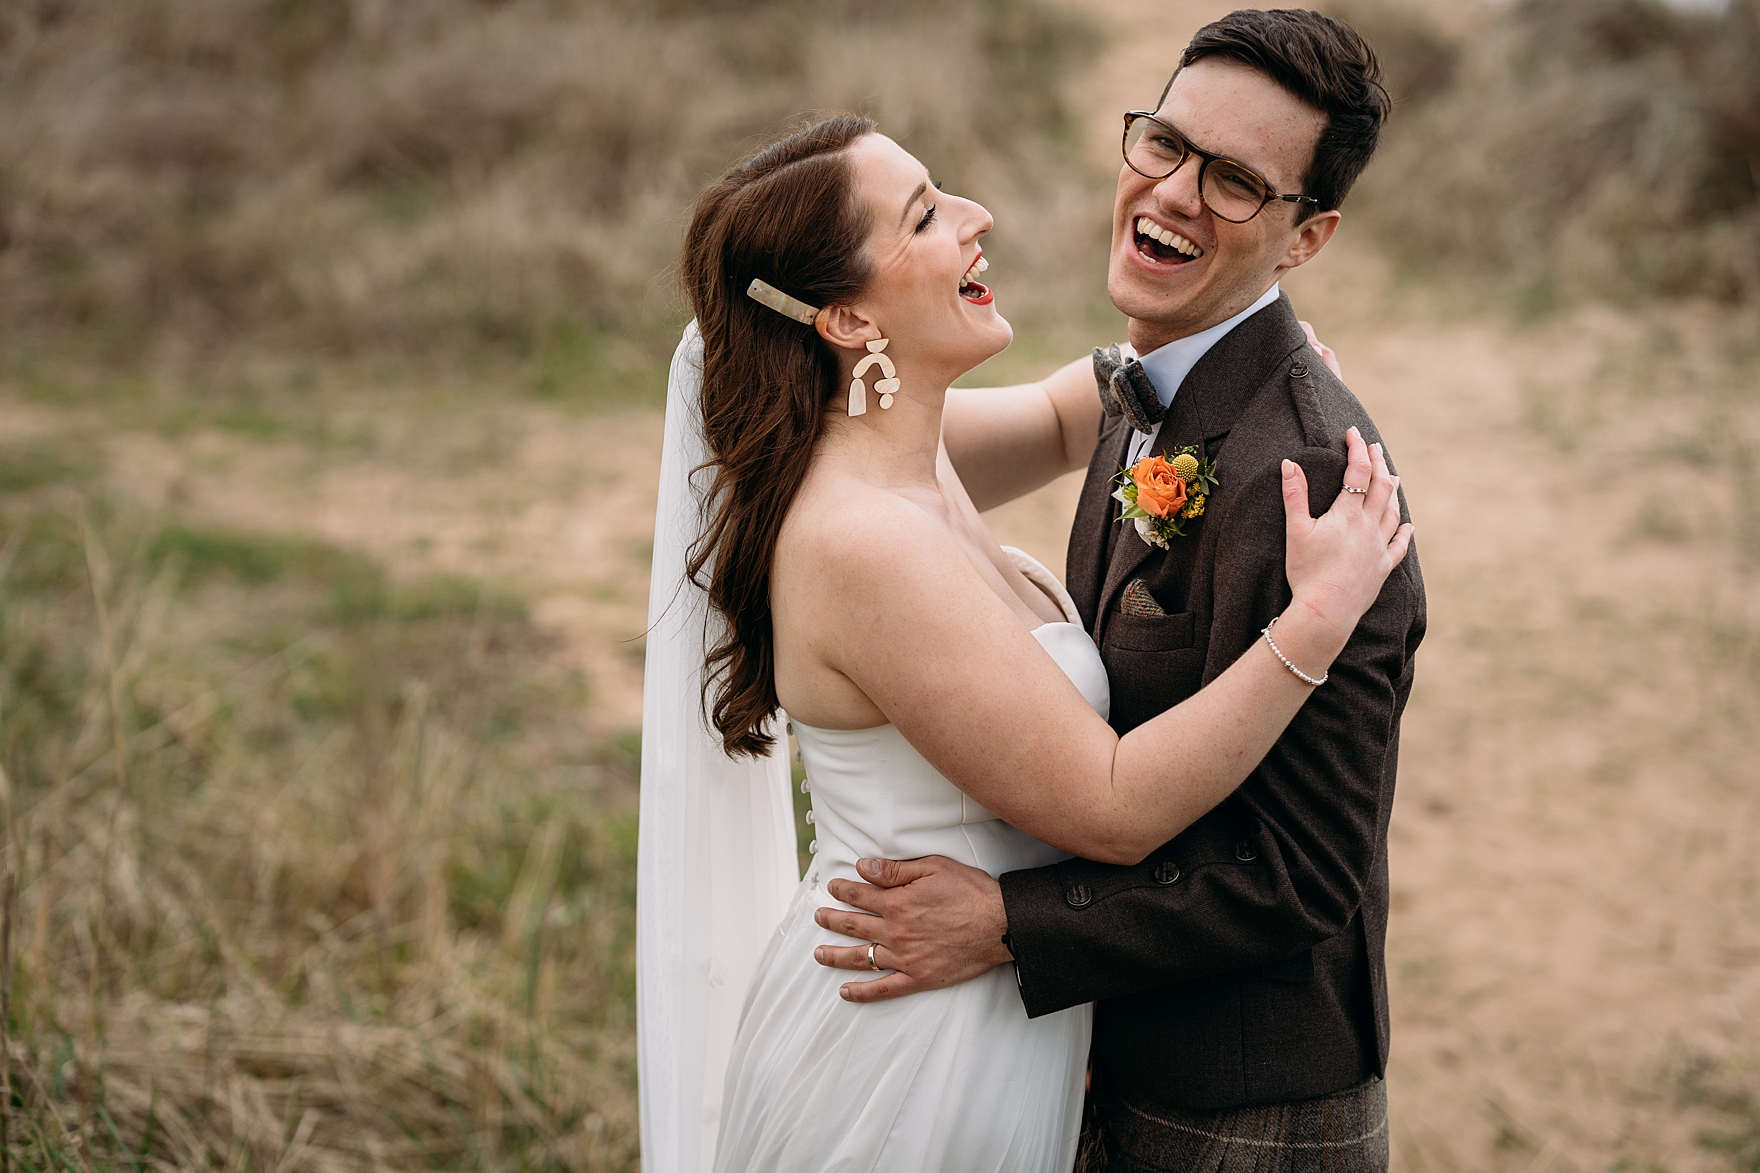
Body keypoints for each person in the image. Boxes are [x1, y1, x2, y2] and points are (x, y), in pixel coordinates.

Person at [637, 17, 1414, 1164]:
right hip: (907, 1040)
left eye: (1238, 182)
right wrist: (1310, 623)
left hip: (1048, 1036)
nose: (974, 215)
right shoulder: (861, 538)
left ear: (1306, 235)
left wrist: (1251, 382)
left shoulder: (901, 453)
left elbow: (1080, 407)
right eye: (921, 215)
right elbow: (1105, 802)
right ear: (850, 321)